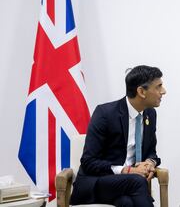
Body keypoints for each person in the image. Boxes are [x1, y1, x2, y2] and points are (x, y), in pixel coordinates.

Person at [70, 65, 166, 207]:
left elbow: (151, 151)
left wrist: (149, 162)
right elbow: (88, 161)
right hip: (98, 182)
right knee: (137, 181)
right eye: (158, 86)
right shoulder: (105, 113)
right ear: (141, 91)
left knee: (126, 203)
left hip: (126, 188)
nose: (163, 91)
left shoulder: (150, 114)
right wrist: (127, 170)